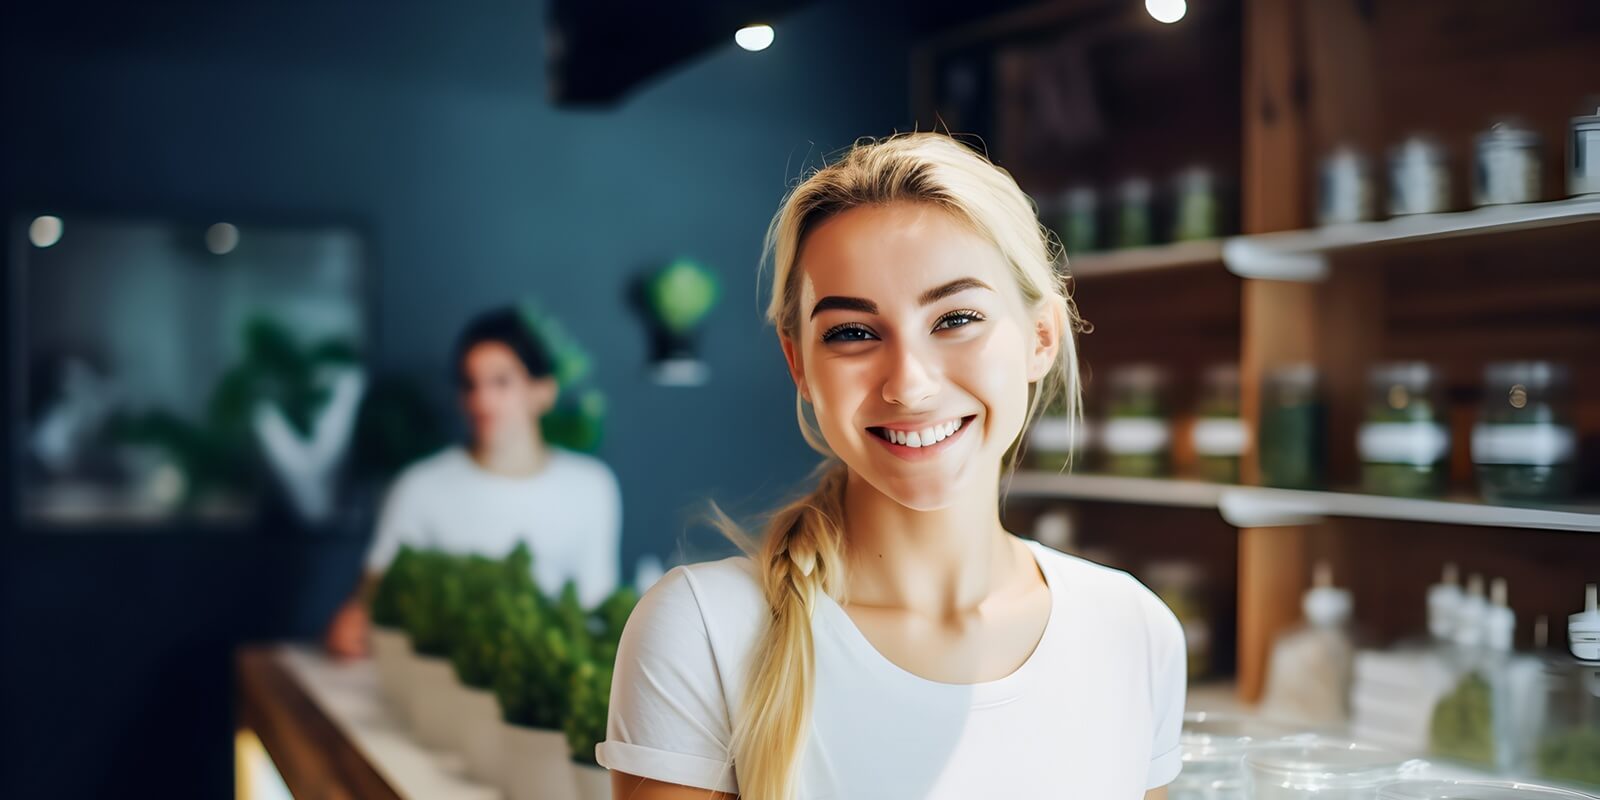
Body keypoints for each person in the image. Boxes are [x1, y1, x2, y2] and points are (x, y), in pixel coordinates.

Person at [596, 133, 1185, 799]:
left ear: (1041, 337)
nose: (909, 384)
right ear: (800, 367)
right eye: (852, 333)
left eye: (956, 318)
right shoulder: (704, 631)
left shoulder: (1133, 631)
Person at [322, 307, 622, 658]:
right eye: (470, 384)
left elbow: (596, 601)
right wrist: (354, 618)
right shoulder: (420, 486)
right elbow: (376, 586)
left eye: (501, 382)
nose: (482, 400)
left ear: (543, 392)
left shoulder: (591, 486)